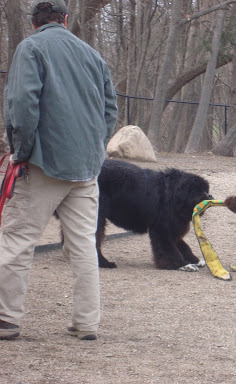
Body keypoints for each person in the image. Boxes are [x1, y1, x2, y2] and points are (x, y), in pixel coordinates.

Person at [0, 0, 117, 340]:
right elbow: (110, 109)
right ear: (65, 20)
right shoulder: (93, 55)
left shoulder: (31, 48)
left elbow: (22, 103)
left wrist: (20, 152)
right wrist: (95, 148)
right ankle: (87, 323)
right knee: (83, 246)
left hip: (42, 164)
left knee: (18, 239)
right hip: (86, 168)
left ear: (34, 22)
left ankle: (6, 319)